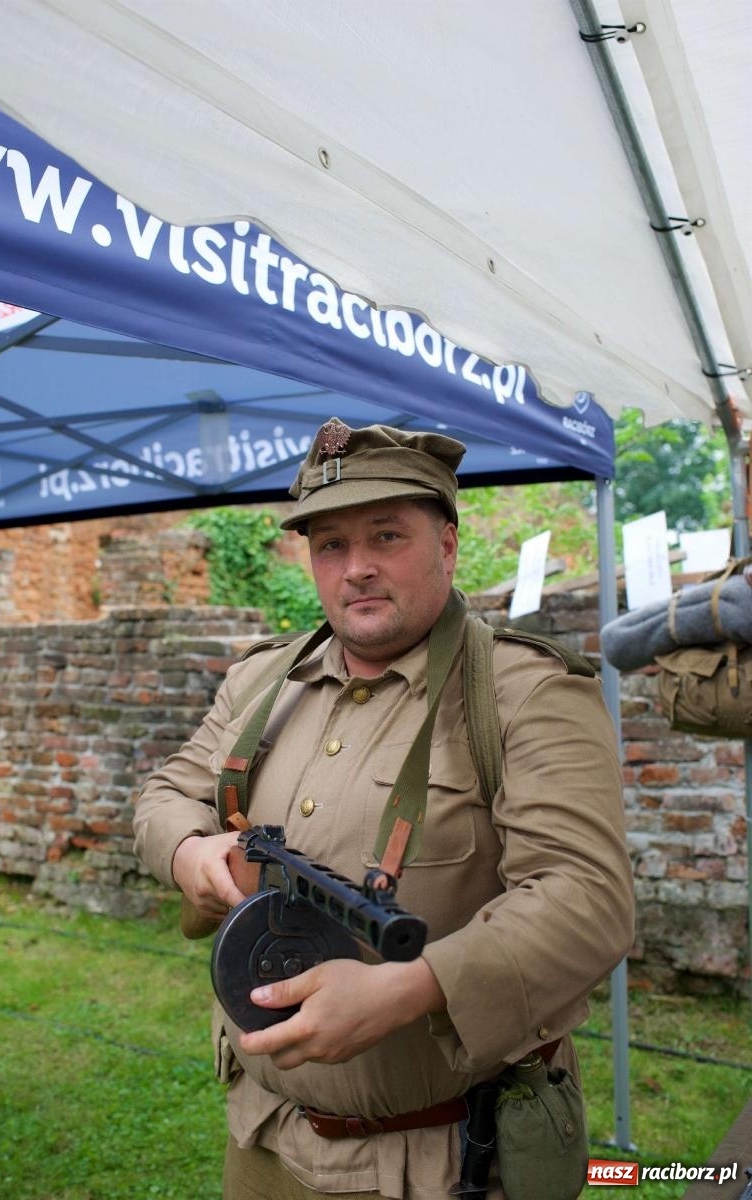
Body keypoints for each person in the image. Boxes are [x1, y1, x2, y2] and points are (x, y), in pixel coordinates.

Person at [133, 418, 635, 1200]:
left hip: (441, 1159)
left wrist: (414, 986)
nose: (357, 568)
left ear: (448, 545)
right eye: (330, 544)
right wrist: (187, 855)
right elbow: (169, 791)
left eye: (386, 536)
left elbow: (588, 900)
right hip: (265, 1134)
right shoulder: (266, 681)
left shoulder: (525, 693)